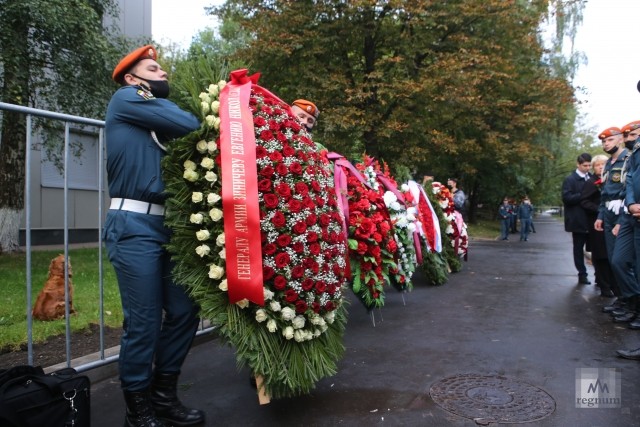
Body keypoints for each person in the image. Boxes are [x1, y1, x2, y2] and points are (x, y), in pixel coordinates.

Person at [104, 45, 205, 427]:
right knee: (144, 321)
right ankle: (138, 410)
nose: (163, 72)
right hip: (132, 225)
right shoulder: (128, 97)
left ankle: (164, 398)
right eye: (153, 67)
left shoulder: (152, 115)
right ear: (133, 78)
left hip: (166, 227)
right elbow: (189, 123)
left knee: (182, 312)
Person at [595, 126, 631, 300]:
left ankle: (631, 300)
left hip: (623, 212)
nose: (606, 144)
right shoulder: (608, 163)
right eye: (603, 141)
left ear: (620, 139)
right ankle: (622, 299)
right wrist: (600, 215)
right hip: (608, 212)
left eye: (609, 139)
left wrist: (621, 219)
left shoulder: (628, 160)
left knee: (622, 261)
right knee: (612, 260)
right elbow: (604, 192)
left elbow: (629, 188)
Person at [581, 154, 616, 296]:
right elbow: (584, 201)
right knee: (600, 254)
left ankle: (613, 284)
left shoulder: (612, 180)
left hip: (612, 222)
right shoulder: (591, 182)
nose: (601, 167)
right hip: (597, 223)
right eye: (597, 165)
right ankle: (604, 286)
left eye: (603, 164)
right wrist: (599, 210)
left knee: (611, 255)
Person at [562, 153, 592, 284]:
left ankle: (599, 275)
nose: (587, 168)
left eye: (589, 165)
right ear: (578, 164)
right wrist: (583, 195)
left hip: (591, 219)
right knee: (578, 248)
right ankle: (582, 273)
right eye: (585, 165)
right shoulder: (570, 180)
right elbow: (567, 198)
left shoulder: (591, 178)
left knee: (595, 248)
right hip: (577, 220)